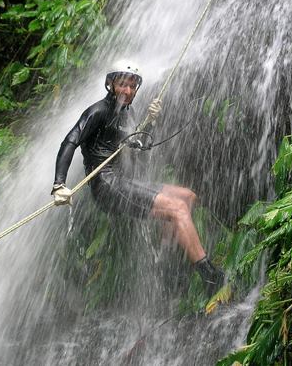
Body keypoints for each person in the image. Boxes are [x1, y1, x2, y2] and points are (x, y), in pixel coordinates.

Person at [51, 60, 224, 294]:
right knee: (178, 209)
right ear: (111, 84)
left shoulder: (126, 114)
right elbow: (70, 141)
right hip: (107, 185)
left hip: (123, 181)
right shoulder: (98, 111)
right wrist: (59, 183)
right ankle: (211, 278)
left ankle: (165, 265)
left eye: (132, 86)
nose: (128, 91)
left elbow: (138, 148)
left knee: (187, 197)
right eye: (123, 84)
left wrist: (149, 123)